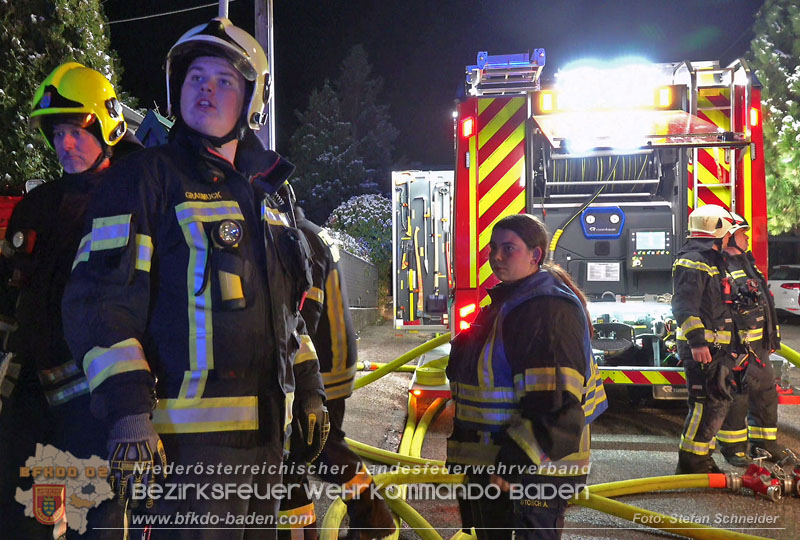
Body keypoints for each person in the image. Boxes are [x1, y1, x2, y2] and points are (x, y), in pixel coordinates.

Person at [62, 18, 327, 539]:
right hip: (187, 455)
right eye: (195, 78)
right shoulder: (142, 180)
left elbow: (286, 314)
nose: (206, 88)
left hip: (268, 447)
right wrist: (129, 411)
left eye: (223, 79)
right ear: (175, 92)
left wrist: (311, 387)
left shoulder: (269, 194)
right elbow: (100, 303)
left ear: (253, 100)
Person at [0, 62, 142, 539]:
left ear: (108, 123)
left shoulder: (138, 200)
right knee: (21, 521)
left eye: (75, 131)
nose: (64, 145)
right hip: (29, 403)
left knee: (94, 525)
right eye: (56, 133)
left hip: (99, 407)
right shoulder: (37, 207)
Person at [445, 213, 607, 540]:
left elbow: (557, 407)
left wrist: (513, 463)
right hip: (503, 465)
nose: (496, 257)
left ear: (535, 256)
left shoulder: (545, 310)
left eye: (509, 248)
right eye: (493, 248)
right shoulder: (515, 300)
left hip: (529, 471)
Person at [278, 207, 395, 540]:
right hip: (330, 359)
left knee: (309, 453)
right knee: (311, 454)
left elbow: (304, 313)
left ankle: (372, 517)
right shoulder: (310, 232)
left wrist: (293, 367)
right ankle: (371, 517)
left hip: (319, 366)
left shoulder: (297, 237)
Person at [673, 204, 741, 474]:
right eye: (727, 233)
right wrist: (698, 342)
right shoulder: (694, 261)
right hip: (704, 349)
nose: (729, 238)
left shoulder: (711, 260)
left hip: (715, 349)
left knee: (715, 402)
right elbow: (683, 305)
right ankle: (692, 463)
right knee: (704, 405)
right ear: (717, 231)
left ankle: (701, 458)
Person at [716, 212, 782, 465]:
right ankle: (734, 450)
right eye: (742, 233)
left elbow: (763, 304)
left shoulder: (746, 263)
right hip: (738, 349)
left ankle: (764, 445)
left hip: (759, 347)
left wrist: (771, 340)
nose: (747, 238)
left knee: (766, 395)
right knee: (737, 398)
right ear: (729, 236)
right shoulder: (721, 268)